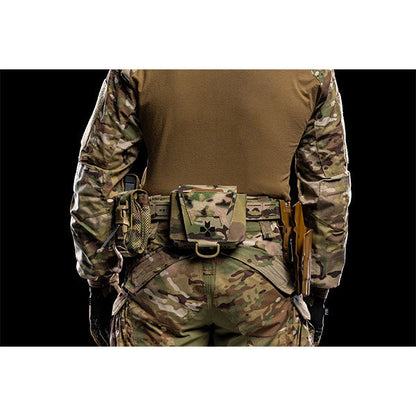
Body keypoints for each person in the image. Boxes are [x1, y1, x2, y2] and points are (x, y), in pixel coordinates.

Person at [70, 70, 351, 346]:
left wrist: (100, 280)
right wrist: (319, 285)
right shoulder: (312, 71)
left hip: (158, 276)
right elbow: (328, 189)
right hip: (267, 276)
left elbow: (97, 176)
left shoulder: (135, 67)